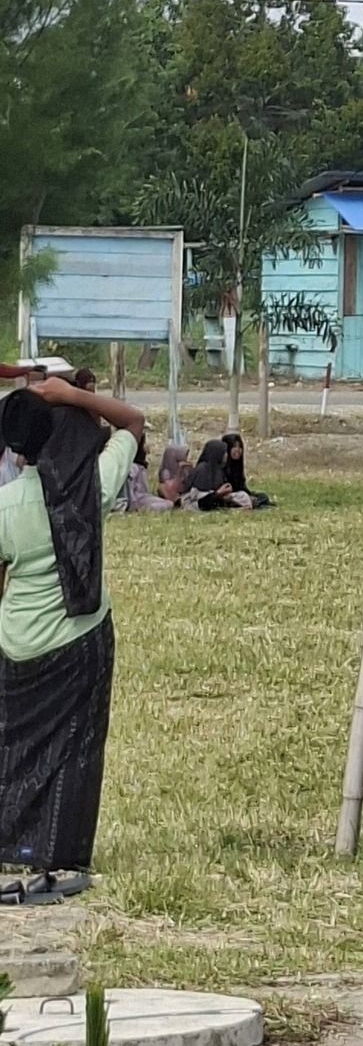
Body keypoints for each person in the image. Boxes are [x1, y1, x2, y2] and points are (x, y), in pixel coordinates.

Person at [0, 374, 146, 897]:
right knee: (76, 750)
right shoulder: (94, 484)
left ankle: (9, 848)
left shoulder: (6, 505)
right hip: (81, 640)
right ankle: (61, 858)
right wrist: (72, 395)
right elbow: (133, 421)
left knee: (11, 749)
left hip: (16, 643)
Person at [183, 438, 253, 511]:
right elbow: (198, 496)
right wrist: (218, 494)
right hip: (197, 503)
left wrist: (223, 492)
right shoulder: (202, 468)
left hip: (216, 497)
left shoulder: (218, 468)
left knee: (242, 495)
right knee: (215, 502)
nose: (226, 455)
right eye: (224, 452)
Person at [220, 432, 272, 509]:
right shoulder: (221, 467)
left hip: (241, 495)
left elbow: (241, 487)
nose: (238, 450)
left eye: (239, 447)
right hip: (229, 497)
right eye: (234, 447)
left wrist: (249, 495)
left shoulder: (237, 466)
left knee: (263, 496)